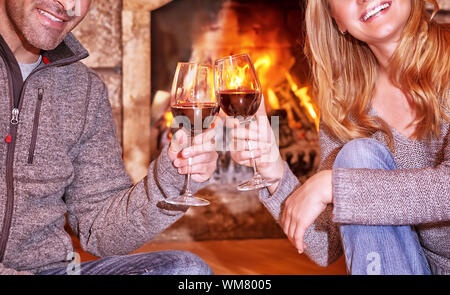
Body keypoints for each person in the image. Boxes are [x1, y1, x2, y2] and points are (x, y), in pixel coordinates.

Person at [230, 0, 449, 275]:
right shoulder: (348, 105)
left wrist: (334, 186)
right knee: (357, 155)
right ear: (337, 21)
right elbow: (326, 245)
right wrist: (272, 170)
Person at [0, 0, 218, 275]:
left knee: (187, 270)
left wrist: (174, 174)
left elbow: (100, 230)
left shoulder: (84, 89)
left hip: (51, 270)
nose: (69, 5)